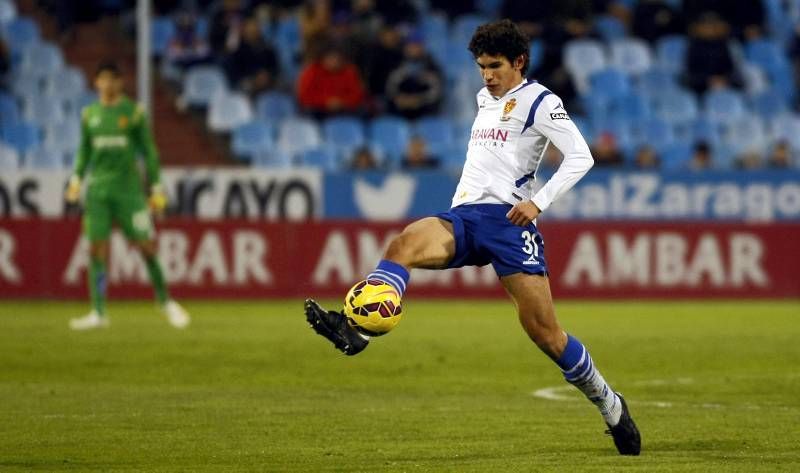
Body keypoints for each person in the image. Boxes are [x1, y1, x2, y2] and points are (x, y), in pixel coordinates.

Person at [304, 20, 640, 456]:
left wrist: (539, 202)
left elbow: (581, 157)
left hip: (508, 223)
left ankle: (610, 404)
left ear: (519, 62)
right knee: (402, 245)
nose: (487, 75)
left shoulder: (540, 101)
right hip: (463, 217)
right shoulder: (485, 98)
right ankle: (355, 331)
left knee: (545, 333)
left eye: (495, 66)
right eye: (481, 66)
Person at [65, 62, 190, 331]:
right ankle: (98, 311)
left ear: (120, 83)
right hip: (98, 191)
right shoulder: (90, 115)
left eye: (113, 80)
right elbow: (84, 152)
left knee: (146, 246)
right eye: (103, 79)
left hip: (129, 192)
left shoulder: (133, 114)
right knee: (97, 248)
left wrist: (156, 187)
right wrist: (76, 178)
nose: (108, 85)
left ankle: (165, 301)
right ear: (96, 82)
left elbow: (149, 151)